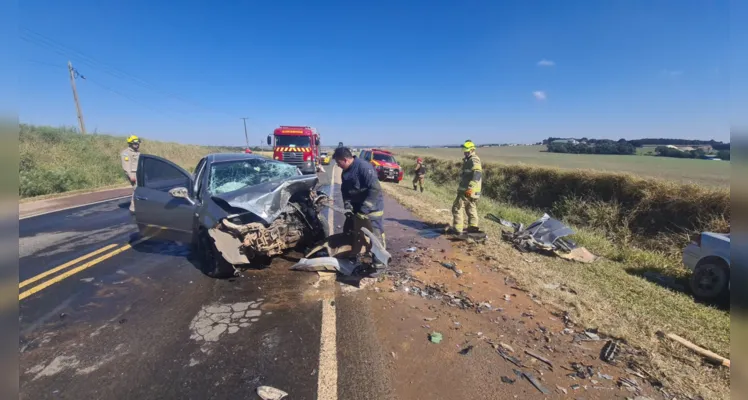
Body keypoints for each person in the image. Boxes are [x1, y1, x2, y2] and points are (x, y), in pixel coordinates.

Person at [332, 146, 386, 275]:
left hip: (371, 209)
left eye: (338, 163)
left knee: (375, 235)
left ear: (345, 160)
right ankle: (352, 254)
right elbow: (345, 191)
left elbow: (375, 189)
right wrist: (348, 206)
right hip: (356, 209)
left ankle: (379, 264)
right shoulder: (346, 171)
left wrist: (364, 209)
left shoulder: (363, 167)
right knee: (350, 231)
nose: (338, 166)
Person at [451, 140, 482, 239]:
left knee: (457, 208)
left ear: (473, 150)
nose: (465, 152)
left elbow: (477, 173)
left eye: (467, 151)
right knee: (470, 208)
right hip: (473, 191)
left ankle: (457, 230)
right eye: (464, 151)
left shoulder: (474, 159)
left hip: (468, 190)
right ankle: (473, 228)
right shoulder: (469, 160)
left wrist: (470, 187)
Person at [121, 135, 141, 213]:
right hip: (133, 174)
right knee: (136, 190)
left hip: (139, 173)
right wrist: (131, 176)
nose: (137, 145)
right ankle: (133, 209)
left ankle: (138, 206)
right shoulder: (126, 153)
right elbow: (126, 166)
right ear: (130, 143)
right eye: (135, 143)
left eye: (138, 143)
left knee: (140, 190)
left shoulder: (138, 152)